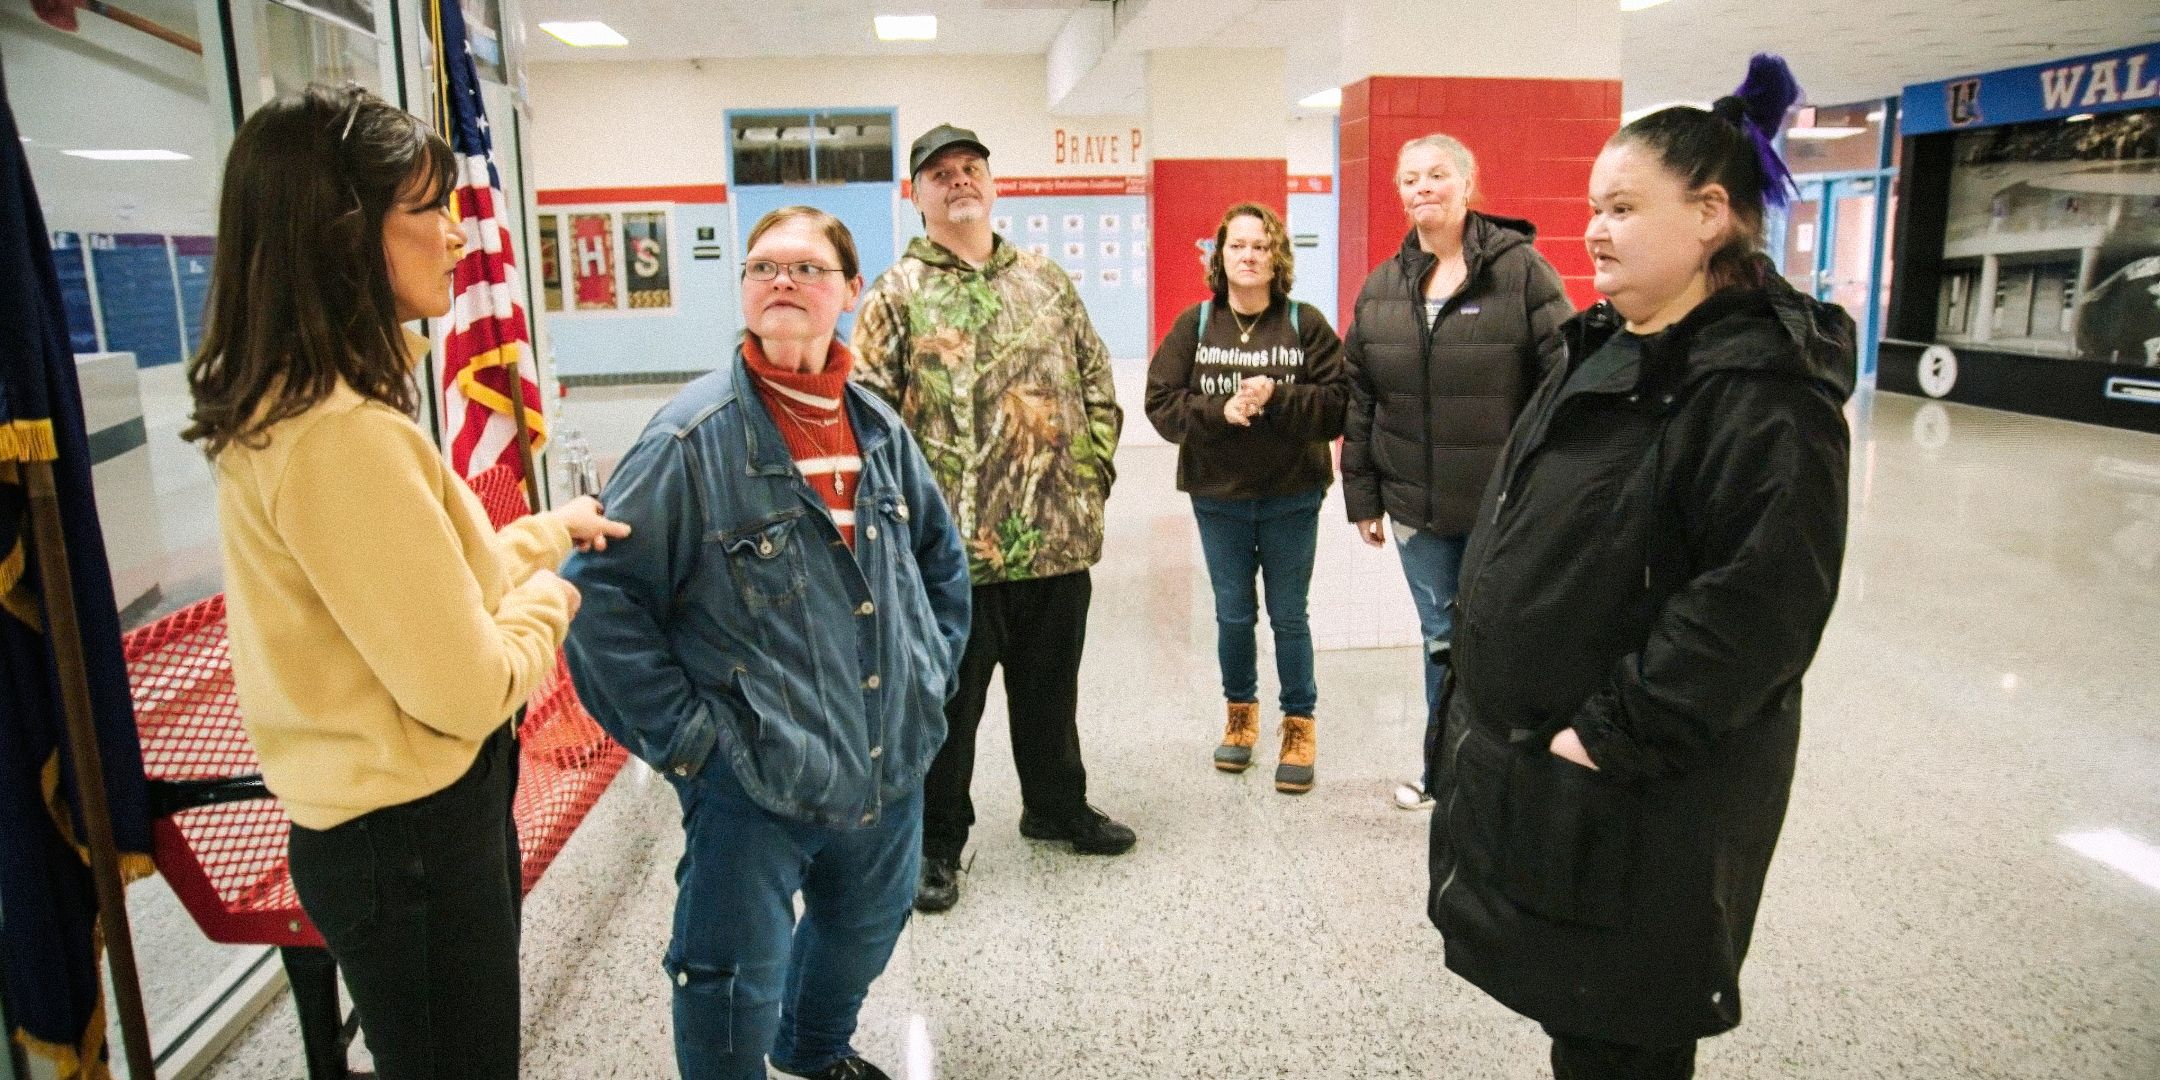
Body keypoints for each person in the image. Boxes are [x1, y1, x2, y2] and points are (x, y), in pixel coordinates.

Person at [184, 84, 625, 1080]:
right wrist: (558, 597)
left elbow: (435, 581)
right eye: (427, 210)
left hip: (389, 838)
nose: (457, 237)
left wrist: (551, 532)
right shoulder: (341, 436)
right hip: (412, 848)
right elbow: (467, 683)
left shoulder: (307, 404)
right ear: (342, 234)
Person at [1427, 55, 1851, 1079]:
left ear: (1711, 214)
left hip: (1642, 792)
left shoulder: (1763, 394)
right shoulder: (1608, 347)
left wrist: (1605, 735)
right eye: (1592, 208)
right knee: (1582, 1017)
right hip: (1554, 780)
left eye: (1622, 206)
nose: (1596, 230)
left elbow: (1757, 611)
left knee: (1625, 1033)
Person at [563, 206, 970, 1080]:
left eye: (807, 268)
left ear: (851, 293)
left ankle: (813, 1050)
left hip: (883, 757)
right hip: (752, 775)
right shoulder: (688, 439)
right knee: (729, 978)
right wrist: (690, 744)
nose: (782, 281)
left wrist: (925, 681)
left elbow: (940, 561)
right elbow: (601, 600)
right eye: (763, 267)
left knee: (866, 928)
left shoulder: (880, 431)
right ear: (744, 290)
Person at [854, 123, 1134, 915]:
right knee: (949, 709)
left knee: (1052, 693)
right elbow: (869, 417)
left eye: (971, 167)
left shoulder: (1045, 280)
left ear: (992, 182)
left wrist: (1094, 468)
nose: (959, 182)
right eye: (940, 174)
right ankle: (937, 844)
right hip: (953, 555)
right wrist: (902, 530)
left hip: (1055, 537)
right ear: (917, 195)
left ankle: (1055, 805)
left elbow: (1095, 374)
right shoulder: (896, 293)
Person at [1339, 132, 1574, 812]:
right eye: (1409, 178)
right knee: (1440, 642)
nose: (1422, 189)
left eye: (1437, 174)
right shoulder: (1383, 286)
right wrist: (1363, 496)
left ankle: (1515, 777)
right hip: (1417, 511)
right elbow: (1361, 396)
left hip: (1504, 512)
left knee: (1504, 640)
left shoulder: (1522, 271)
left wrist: (1542, 489)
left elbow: (1562, 383)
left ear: (1469, 184)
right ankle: (1444, 773)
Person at [1144, 202, 1348, 792]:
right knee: (1233, 614)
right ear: (1220, 256)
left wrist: (1278, 397)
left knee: (1289, 616)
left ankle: (1299, 726)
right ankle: (1240, 721)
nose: (1249, 256)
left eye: (1261, 246)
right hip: (1218, 497)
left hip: (1292, 495)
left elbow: (1338, 405)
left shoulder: (1305, 324)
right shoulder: (1197, 325)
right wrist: (1220, 409)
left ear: (1276, 255)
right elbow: (1161, 403)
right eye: (1237, 246)